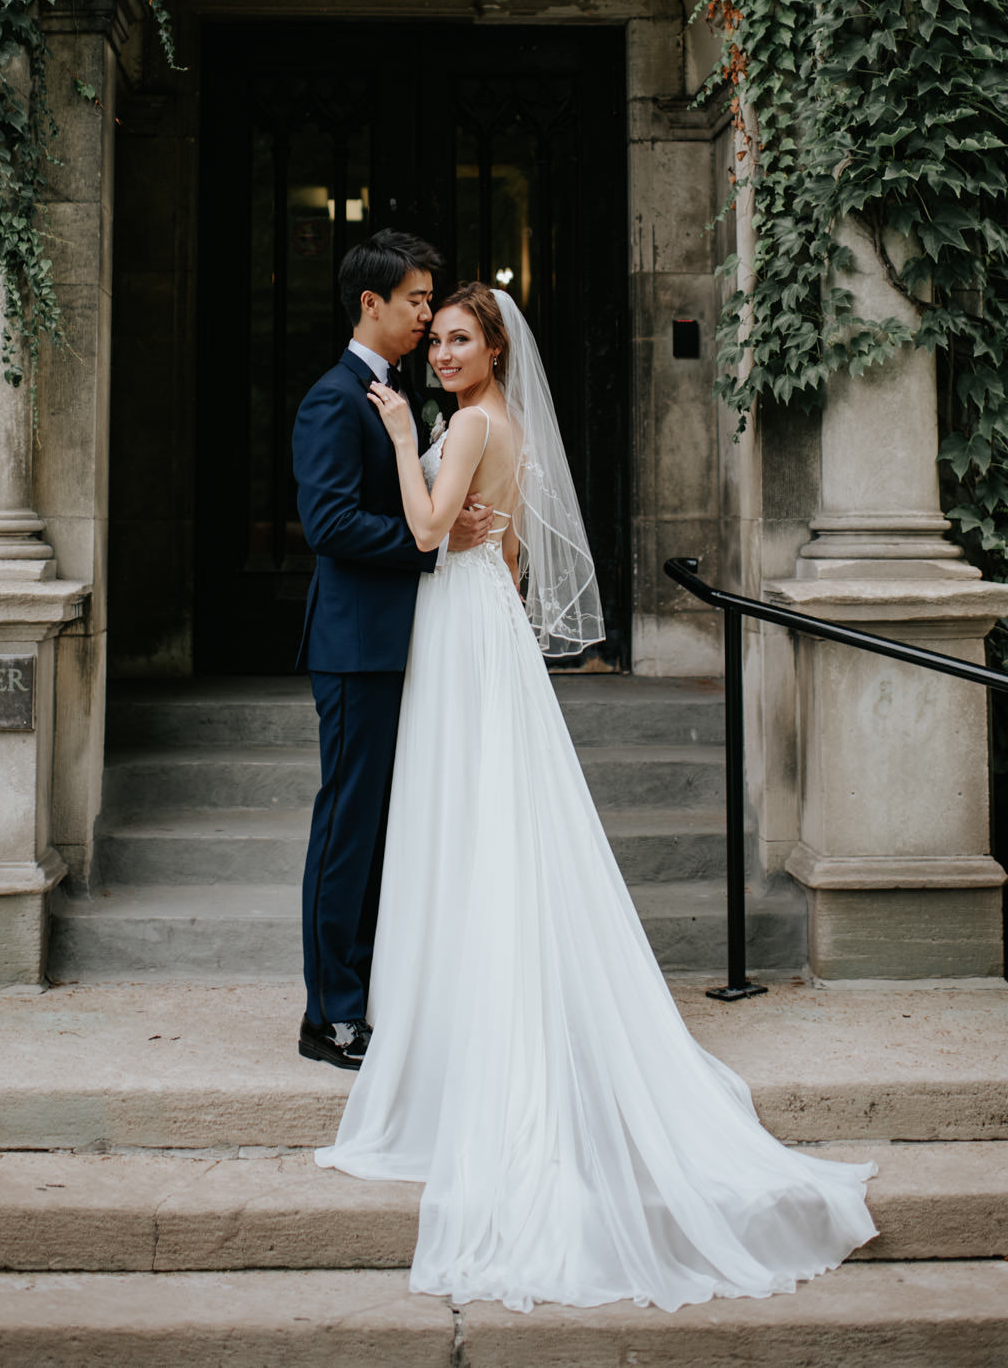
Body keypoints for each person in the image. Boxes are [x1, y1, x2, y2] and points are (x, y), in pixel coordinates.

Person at [316, 280, 878, 1312]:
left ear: (494, 350)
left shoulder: (468, 425)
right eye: (436, 340)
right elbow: (507, 554)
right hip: (481, 625)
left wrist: (400, 439)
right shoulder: (506, 424)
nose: (442, 354)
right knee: (484, 824)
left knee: (466, 825)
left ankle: (462, 1040)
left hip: (462, 628)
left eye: (459, 339)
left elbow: (432, 530)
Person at [291, 231, 491, 1071]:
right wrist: (433, 546)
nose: (425, 315)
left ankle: (373, 990)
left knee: (386, 827)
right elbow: (329, 524)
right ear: (371, 303)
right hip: (357, 646)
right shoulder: (333, 399)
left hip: (408, 642)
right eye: (416, 300)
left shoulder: (399, 393)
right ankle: (330, 1014)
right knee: (349, 827)